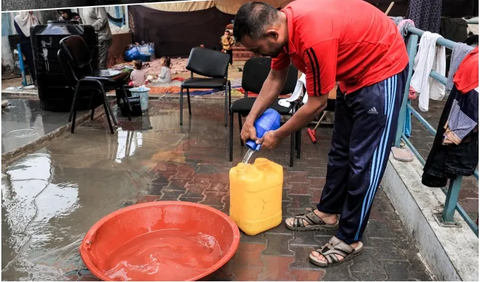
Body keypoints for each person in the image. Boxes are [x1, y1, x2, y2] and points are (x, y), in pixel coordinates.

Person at [233, 0, 408, 267]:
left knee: (364, 163)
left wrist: (279, 134)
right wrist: (252, 118)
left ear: (272, 34)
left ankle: (350, 238)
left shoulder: (312, 37)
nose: (258, 55)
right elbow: (276, 78)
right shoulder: (283, 31)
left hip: (381, 71)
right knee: (339, 153)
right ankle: (327, 213)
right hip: (353, 74)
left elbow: (317, 103)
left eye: (257, 49)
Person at [14, 11, 39, 84]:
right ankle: (35, 80)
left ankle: (40, 79)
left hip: (35, 41)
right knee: (31, 62)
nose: (32, 12)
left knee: (38, 61)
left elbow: (37, 29)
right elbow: (21, 33)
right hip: (26, 43)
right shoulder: (17, 19)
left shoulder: (33, 18)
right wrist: (30, 35)